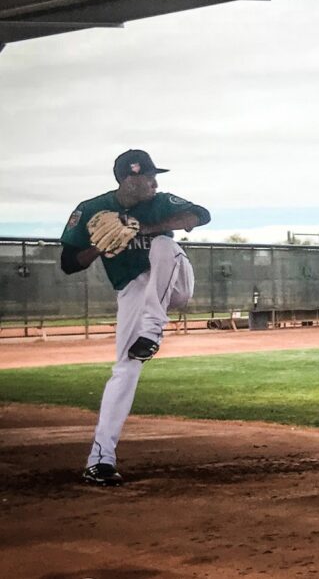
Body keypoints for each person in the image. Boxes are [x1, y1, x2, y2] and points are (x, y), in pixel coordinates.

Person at [60, 150, 210, 486]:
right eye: (148, 177)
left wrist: (145, 226)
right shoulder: (91, 209)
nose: (155, 183)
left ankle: (154, 328)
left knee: (163, 246)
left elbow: (201, 215)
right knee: (124, 369)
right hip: (133, 291)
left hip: (174, 283)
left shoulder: (159, 202)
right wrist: (100, 245)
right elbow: (69, 262)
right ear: (129, 179)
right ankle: (100, 459)